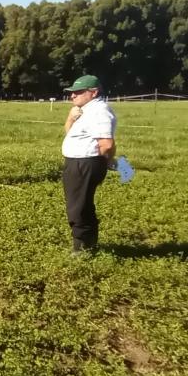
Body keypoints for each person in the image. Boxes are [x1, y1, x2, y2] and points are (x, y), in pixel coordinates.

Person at [61, 74, 117, 253]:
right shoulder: (86, 111)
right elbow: (72, 134)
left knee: (78, 208)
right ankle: (89, 243)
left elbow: (106, 144)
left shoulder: (99, 111)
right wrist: (70, 118)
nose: (72, 96)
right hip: (78, 162)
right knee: (82, 204)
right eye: (72, 92)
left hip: (85, 163)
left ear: (93, 92)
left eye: (78, 92)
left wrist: (105, 161)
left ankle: (82, 249)